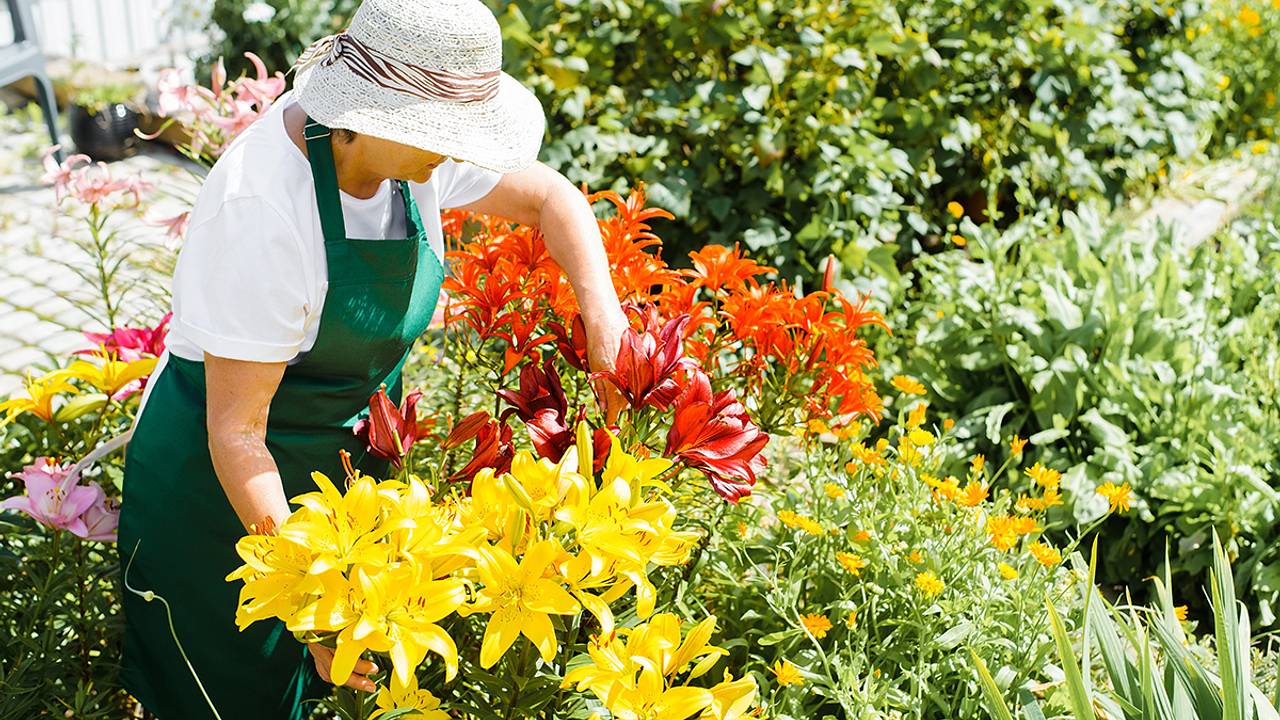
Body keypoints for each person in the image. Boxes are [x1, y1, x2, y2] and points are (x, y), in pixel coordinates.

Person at [116, 0, 629, 717]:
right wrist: (315, 601)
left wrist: (604, 323)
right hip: (221, 500)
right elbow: (237, 434)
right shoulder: (262, 208)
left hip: (343, 481)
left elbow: (552, 198)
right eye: (444, 135)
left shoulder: (408, 159)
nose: (457, 155)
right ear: (371, 117)